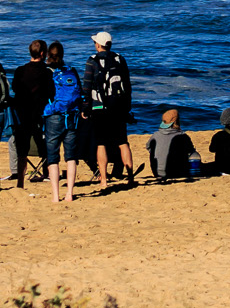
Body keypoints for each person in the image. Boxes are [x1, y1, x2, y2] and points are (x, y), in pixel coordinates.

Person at [82, 31, 135, 185]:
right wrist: (127, 106)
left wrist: (85, 108)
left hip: (99, 107)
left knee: (101, 144)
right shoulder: (119, 59)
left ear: (98, 45)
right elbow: (128, 85)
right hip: (119, 106)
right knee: (123, 142)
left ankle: (104, 179)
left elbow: (86, 87)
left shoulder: (92, 61)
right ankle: (130, 177)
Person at [44, 42, 85, 203]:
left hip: (53, 115)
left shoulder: (47, 72)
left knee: (53, 156)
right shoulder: (71, 70)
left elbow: (45, 94)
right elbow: (81, 93)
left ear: (48, 54)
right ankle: (69, 193)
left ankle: (55, 195)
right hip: (72, 117)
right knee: (71, 156)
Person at [8, 40, 51, 189]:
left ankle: (20, 181)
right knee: (44, 141)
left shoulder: (21, 70)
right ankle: (46, 172)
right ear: (42, 54)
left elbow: (15, 88)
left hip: (23, 113)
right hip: (40, 113)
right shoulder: (46, 72)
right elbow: (51, 92)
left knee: (22, 149)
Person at [147, 108, 200, 181]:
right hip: (176, 173)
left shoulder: (155, 135)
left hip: (156, 173)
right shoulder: (183, 136)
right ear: (177, 121)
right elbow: (190, 152)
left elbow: (149, 148)